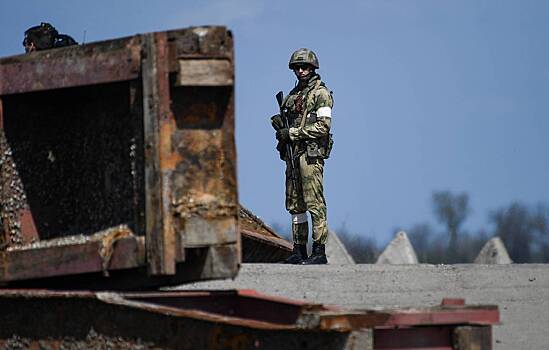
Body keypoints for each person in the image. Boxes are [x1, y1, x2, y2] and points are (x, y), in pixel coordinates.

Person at [271, 48, 334, 264]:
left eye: (305, 66)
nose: (301, 70)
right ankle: (299, 249)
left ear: (313, 67)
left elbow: (323, 127)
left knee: (314, 202)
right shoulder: (293, 95)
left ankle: (319, 251)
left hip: (310, 155)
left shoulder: (321, 94)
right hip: (293, 155)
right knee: (295, 204)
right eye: (297, 67)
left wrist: (293, 132)